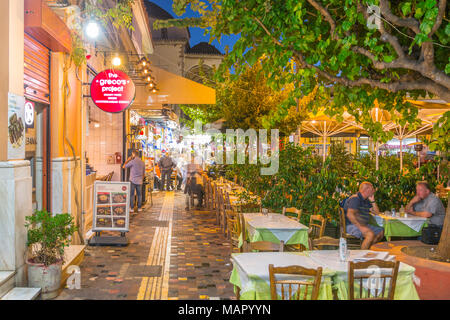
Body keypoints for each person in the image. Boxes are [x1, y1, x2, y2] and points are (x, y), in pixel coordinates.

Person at [344, 182, 384, 249]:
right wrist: (361, 227)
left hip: (363, 224)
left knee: (380, 232)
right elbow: (350, 214)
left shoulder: (366, 200)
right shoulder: (355, 199)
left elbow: (377, 213)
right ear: (367, 190)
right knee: (370, 234)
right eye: (372, 189)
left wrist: (373, 201)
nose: (374, 191)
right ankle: (362, 256)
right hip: (351, 225)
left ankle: (367, 250)